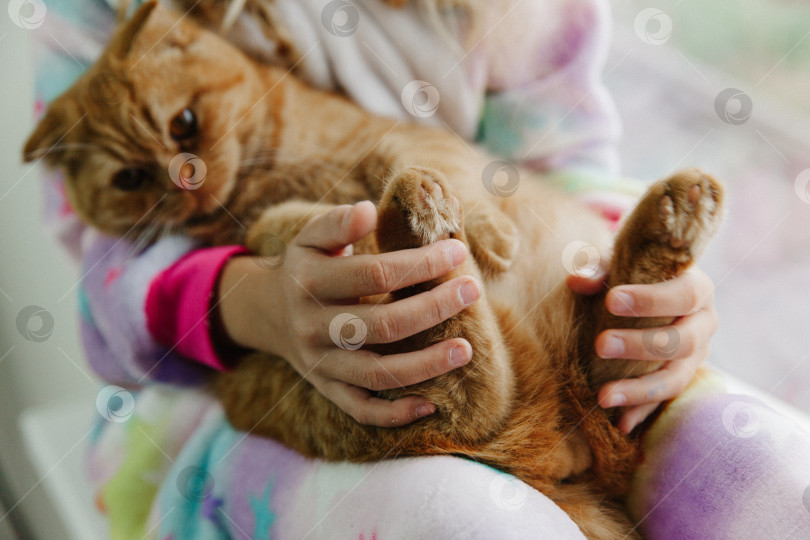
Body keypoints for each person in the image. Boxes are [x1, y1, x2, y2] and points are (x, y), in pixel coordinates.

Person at [37, 0, 801, 538]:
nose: (185, 182)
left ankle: (591, 310)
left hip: (556, 327)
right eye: (141, 178)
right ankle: (451, 356)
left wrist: (647, 296)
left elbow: (565, 156)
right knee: (463, 520)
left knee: (767, 467)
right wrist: (258, 300)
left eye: (187, 130)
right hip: (248, 404)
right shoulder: (105, 15)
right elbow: (107, 301)